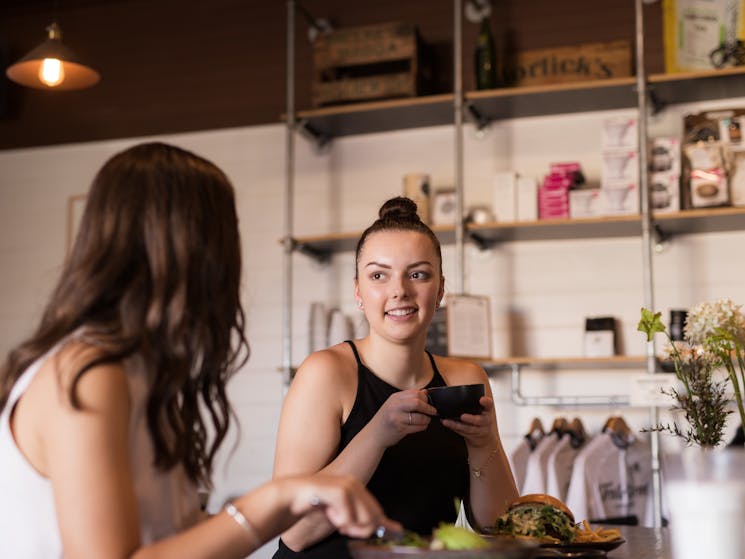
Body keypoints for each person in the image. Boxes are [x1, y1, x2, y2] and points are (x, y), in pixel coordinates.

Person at [0, 142, 399, 558]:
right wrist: (278, 497)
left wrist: (297, 498)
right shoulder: (89, 372)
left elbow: (168, 540)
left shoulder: (140, 375)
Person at [272, 196, 518, 558]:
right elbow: (293, 531)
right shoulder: (326, 373)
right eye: (378, 275)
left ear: (440, 290)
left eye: (417, 274)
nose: (399, 290)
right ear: (358, 291)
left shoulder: (465, 378)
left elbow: (500, 527)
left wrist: (483, 447)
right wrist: (377, 435)